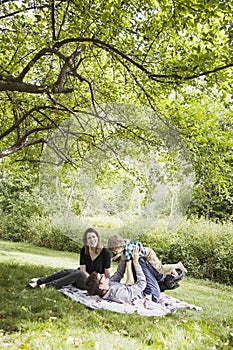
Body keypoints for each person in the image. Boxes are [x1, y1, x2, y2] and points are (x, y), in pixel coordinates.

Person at [86, 248, 185, 304]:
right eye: (102, 277)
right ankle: (164, 279)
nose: (104, 275)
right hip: (150, 294)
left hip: (144, 289)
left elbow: (119, 273)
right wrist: (135, 263)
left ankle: (164, 281)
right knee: (139, 260)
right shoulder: (118, 294)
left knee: (136, 258)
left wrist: (124, 256)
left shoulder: (108, 285)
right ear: (101, 286)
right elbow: (142, 284)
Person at [27, 228, 111, 290]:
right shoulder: (84, 250)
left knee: (78, 273)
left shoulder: (105, 252)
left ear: (98, 238)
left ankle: (47, 285)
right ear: (86, 241)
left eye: (94, 237)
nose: (92, 240)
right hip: (82, 277)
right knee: (66, 272)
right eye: (89, 238)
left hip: (93, 283)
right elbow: (83, 270)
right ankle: (38, 282)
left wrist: (103, 284)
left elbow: (107, 274)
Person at [107, 234, 187, 285]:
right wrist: (116, 256)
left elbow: (128, 268)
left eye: (115, 251)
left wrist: (128, 281)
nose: (114, 252)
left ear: (120, 246)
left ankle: (177, 265)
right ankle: (173, 272)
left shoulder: (127, 251)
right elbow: (122, 252)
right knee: (159, 268)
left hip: (149, 254)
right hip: (147, 251)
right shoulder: (125, 243)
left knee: (159, 269)